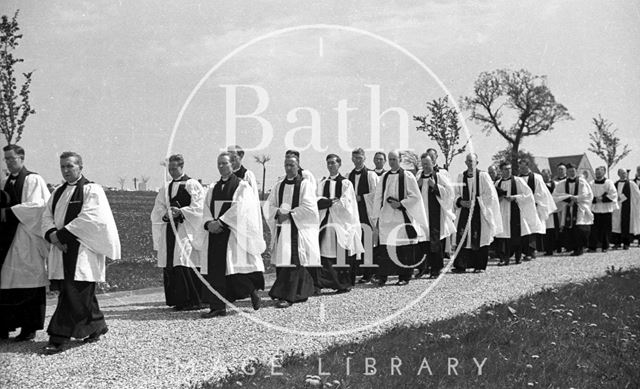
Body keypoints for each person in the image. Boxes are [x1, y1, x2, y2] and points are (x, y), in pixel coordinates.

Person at [41, 151, 120, 354]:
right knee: (79, 295)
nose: (66, 171)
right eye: (63, 167)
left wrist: (62, 236)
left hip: (83, 250)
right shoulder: (57, 192)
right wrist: (52, 235)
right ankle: (96, 325)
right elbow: (46, 216)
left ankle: (57, 337)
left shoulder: (91, 190)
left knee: (72, 293)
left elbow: (92, 218)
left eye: (70, 166)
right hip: (62, 249)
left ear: (80, 167)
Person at [199, 152, 266, 318]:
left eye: (225, 163)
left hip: (232, 232)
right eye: (219, 164)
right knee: (215, 272)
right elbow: (205, 208)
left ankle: (251, 290)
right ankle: (217, 307)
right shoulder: (213, 187)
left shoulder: (241, 186)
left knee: (234, 270)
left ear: (232, 165)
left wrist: (221, 222)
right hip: (215, 233)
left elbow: (241, 208)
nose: (221, 167)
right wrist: (209, 223)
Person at [0, 145, 50, 341]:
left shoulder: (33, 180)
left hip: (26, 236)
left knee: (28, 281)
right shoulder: (4, 181)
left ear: (22, 158)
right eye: (6, 159)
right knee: (7, 280)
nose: (9, 162)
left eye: (12, 159)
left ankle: (29, 328)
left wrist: (10, 212)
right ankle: (5, 325)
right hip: (7, 239)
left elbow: (39, 206)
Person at [263, 154, 320, 308]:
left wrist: (289, 214)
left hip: (296, 229)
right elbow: (268, 205)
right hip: (282, 229)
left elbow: (309, 207)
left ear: (298, 166)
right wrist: (277, 214)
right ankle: (294, 293)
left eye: (292, 165)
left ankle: (289, 296)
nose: (288, 168)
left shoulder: (304, 185)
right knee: (283, 261)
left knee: (293, 261)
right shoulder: (278, 186)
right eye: (286, 165)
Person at [151, 154, 205, 311]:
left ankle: (193, 300)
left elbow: (199, 207)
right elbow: (158, 207)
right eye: (170, 169)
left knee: (183, 259)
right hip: (170, 229)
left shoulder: (192, 184)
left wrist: (181, 212)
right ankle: (178, 300)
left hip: (185, 228)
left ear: (182, 167)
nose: (172, 172)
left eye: (175, 168)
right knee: (172, 261)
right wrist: (167, 213)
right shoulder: (166, 187)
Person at [371, 151, 428, 286]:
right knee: (385, 248)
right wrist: (376, 217)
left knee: (405, 249)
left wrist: (401, 203)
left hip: (402, 217)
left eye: (394, 159)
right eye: (390, 159)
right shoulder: (384, 177)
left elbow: (415, 196)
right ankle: (382, 276)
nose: (391, 162)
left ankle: (404, 276)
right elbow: (378, 197)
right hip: (387, 218)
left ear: (400, 159)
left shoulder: (408, 176)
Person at [315, 154, 364, 293]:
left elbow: (346, 204)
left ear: (339, 164)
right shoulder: (322, 183)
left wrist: (329, 202)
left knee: (340, 253)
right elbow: (317, 201)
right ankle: (322, 283)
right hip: (325, 221)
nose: (330, 166)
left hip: (340, 223)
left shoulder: (346, 183)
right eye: (328, 163)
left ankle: (342, 284)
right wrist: (331, 201)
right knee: (325, 251)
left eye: (333, 163)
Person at [453, 153, 502, 273]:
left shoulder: (483, 176)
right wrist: (460, 202)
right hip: (464, 212)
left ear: (477, 163)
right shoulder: (460, 176)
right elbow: (456, 194)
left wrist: (477, 202)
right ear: (465, 163)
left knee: (480, 238)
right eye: (468, 161)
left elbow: (490, 195)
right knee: (464, 238)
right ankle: (461, 265)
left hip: (480, 213)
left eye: (473, 161)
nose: (470, 163)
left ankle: (479, 266)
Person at [495, 161, 543, 266]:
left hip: (515, 211)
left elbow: (528, 195)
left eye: (509, 169)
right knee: (503, 236)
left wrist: (514, 197)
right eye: (505, 169)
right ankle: (504, 258)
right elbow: (493, 198)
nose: (508, 171)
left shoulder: (518, 180)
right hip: (503, 211)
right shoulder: (497, 183)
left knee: (516, 236)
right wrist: (500, 197)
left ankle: (518, 257)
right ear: (501, 170)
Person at [415, 154, 456, 278]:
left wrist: (436, 186)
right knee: (423, 242)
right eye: (423, 164)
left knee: (436, 243)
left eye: (427, 163)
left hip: (436, 215)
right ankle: (423, 268)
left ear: (433, 163)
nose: (425, 166)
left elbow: (450, 193)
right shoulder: (418, 177)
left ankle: (436, 269)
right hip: (422, 215)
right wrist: (418, 185)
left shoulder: (439, 176)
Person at [347, 148, 379, 284]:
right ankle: (354, 273)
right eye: (355, 158)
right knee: (354, 241)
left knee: (367, 242)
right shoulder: (349, 175)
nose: (357, 160)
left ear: (364, 158)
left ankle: (369, 273)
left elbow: (376, 193)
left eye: (359, 158)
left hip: (366, 211)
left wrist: (362, 197)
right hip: (354, 214)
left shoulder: (371, 175)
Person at [518, 159, 556, 260]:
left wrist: (536, 201)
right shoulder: (518, 178)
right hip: (522, 207)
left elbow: (542, 192)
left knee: (533, 229)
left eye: (523, 167)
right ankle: (525, 251)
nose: (521, 169)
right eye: (520, 167)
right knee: (525, 229)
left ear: (528, 166)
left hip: (534, 207)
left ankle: (531, 251)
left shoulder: (536, 177)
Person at [552, 163, 594, 256]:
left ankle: (580, 248)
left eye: (573, 171)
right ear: (567, 171)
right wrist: (568, 199)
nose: (571, 173)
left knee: (579, 228)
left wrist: (576, 199)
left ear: (576, 171)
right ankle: (572, 247)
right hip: (567, 208)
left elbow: (588, 195)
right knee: (569, 229)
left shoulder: (582, 182)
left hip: (579, 208)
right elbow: (556, 196)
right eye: (570, 171)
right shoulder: (562, 183)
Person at [588, 166, 618, 252]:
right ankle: (592, 246)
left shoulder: (608, 182)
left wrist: (602, 199)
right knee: (594, 229)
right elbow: (588, 194)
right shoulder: (591, 183)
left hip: (606, 209)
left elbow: (613, 194)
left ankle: (605, 246)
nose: (598, 174)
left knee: (605, 229)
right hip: (595, 209)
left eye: (600, 173)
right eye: (596, 173)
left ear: (604, 173)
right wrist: (594, 199)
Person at [611, 168, 640, 250]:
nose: (624, 174)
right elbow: (612, 193)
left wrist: (623, 198)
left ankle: (626, 243)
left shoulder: (631, 184)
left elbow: (637, 195)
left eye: (625, 173)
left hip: (627, 207)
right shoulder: (615, 184)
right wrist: (616, 198)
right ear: (618, 174)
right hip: (617, 208)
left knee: (626, 224)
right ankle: (617, 243)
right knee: (616, 225)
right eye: (622, 173)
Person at [540, 169, 561, 255]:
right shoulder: (540, 185)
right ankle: (547, 249)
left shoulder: (556, 184)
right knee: (546, 230)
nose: (545, 177)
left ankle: (557, 247)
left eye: (546, 175)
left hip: (554, 209)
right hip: (544, 209)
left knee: (554, 230)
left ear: (550, 175)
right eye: (543, 176)